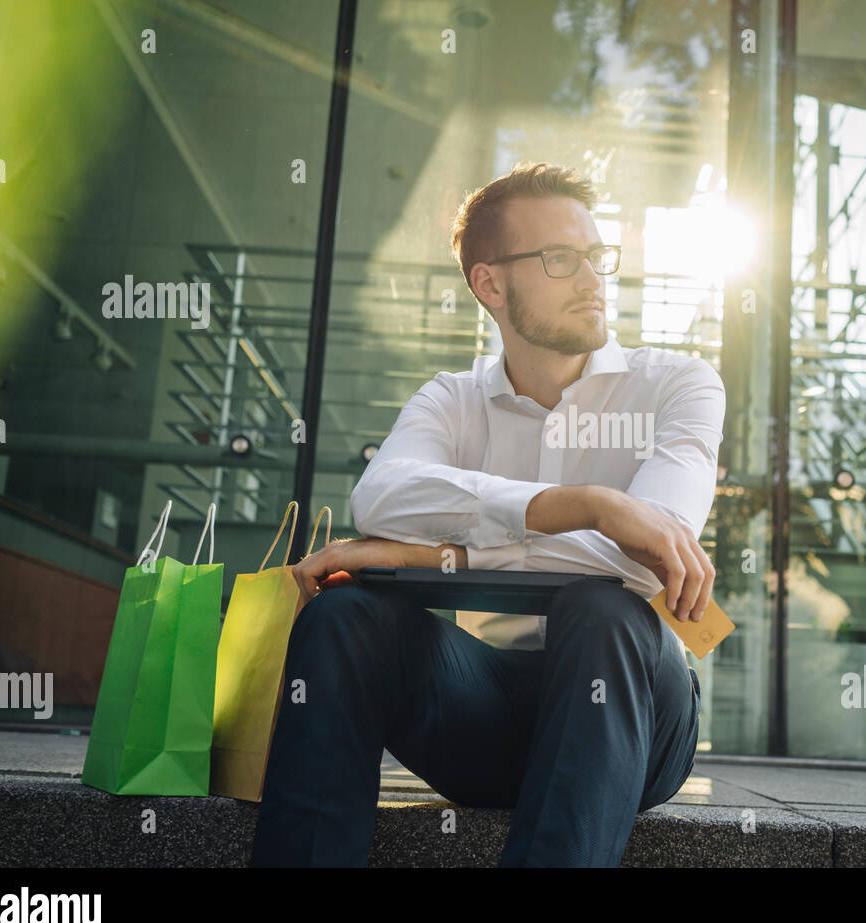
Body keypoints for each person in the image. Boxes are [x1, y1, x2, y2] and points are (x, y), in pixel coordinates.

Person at [249, 161, 725, 867]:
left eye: (598, 256)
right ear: (490, 284)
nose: (595, 279)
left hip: (635, 713)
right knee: (342, 615)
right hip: (485, 712)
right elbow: (379, 498)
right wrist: (590, 505)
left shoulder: (678, 385)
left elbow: (643, 552)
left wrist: (427, 555)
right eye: (562, 260)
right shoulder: (452, 399)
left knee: (603, 609)